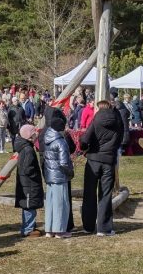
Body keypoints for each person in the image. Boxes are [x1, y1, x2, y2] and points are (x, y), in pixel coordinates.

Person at [80, 99, 123, 237]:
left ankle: (88, 226)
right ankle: (104, 228)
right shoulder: (118, 121)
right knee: (105, 195)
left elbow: (85, 139)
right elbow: (121, 139)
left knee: (89, 193)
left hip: (93, 160)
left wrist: (84, 148)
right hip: (108, 160)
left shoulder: (96, 121)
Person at [42, 110, 74, 238]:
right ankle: (60, 230)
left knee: (50, 203)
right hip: (60, 176)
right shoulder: (61, 142)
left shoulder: (47, 139)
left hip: (50, 175)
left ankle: (49, 229)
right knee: (61, 203)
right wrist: (70, 173)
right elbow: (64, 163)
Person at [12, 125, 44, 238]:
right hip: (29, 183)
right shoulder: (28, 150)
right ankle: (28, 229)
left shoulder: (25, 147)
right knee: (29, 206)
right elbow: (27, 168)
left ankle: (30, 226)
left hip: (27, 183)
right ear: (30, 136)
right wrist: (35, 175)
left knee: (29, 206)